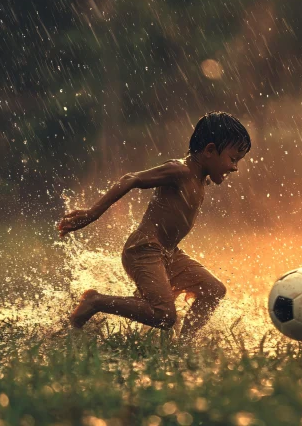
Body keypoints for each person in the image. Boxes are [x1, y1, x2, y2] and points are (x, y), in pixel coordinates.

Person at [58, 111, 251, 339]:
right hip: (144, 249)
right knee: (163, 315)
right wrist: (92, 213)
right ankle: (95, 301)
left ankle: (184, 344)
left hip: (169, 254)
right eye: (233, 159)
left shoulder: (201, 177)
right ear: (209, 151)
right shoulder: (181, 170)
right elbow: (131, 179)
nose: (235, 167)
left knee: (214, 290)